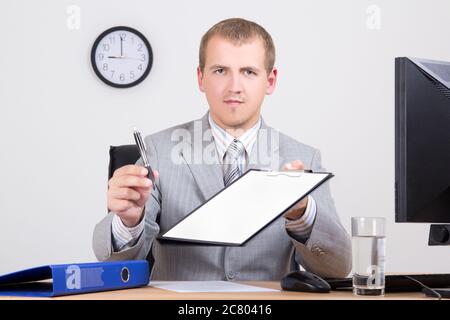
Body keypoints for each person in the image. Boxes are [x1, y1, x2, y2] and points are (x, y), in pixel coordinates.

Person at [93, 18, 351, 281]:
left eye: (249, 72)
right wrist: (128, 223)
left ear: (270, 81)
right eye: (220, 71)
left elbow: (337, 268)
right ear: (201, 77)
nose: (234, 87)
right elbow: (115, 267)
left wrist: (302, 216)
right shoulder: (158, 150)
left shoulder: (303, 158)